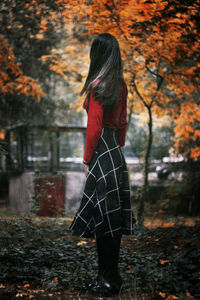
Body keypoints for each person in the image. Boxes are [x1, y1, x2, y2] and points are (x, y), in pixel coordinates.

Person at [70, 33, 135, 297]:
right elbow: (123, 123)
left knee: (102, 220)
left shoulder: (98, 85)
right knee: (112, 220)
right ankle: (110, 279)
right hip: (115, 155)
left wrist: (87, 159)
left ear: (97, 55)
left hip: (100, 153)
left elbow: (94, 128)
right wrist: (117, 150)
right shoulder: (120, 85)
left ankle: (106, 281)